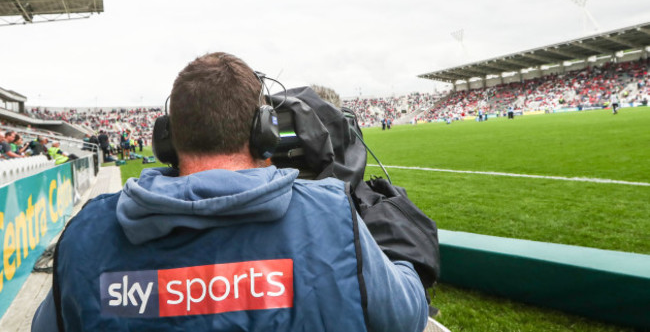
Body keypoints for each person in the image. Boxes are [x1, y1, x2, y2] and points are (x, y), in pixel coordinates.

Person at [32, 53, 428, 332]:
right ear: (265, 131)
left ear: (166, 140)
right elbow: (406, 317)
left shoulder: (87, 234)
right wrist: (393, 239)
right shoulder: (332, 215)